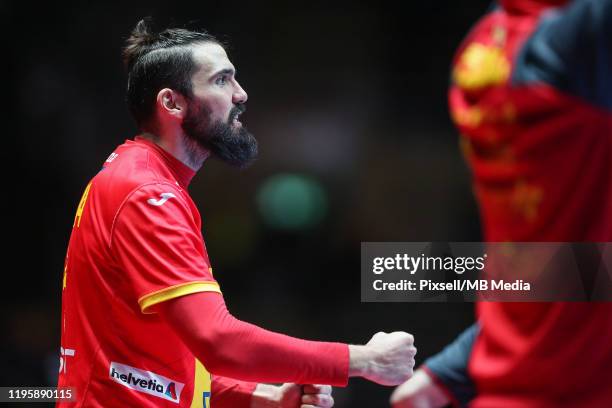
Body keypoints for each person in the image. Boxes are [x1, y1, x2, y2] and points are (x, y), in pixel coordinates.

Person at [56, 19, 417, 408]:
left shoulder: (140, 179)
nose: (241, 94)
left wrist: (262, 395)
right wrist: (362, 360)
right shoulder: (148, 195)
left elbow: (163, 361)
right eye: (221, 81)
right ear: (172, 103)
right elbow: (217, 340)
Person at [391, 0, 612, 406]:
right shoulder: (572, 46)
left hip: (508, 379)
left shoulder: (486, 44)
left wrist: (455, 366)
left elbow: (569, 261)